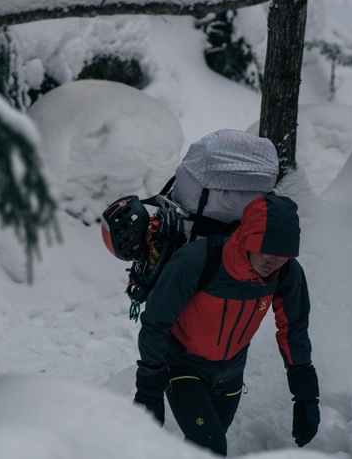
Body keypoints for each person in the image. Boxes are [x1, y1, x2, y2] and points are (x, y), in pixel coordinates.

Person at [133, 194, 320, 456]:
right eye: (266, 252)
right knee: (212, 448)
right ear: (246, 240)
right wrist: (149, 388)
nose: (273, 263)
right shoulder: (197, 261)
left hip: (231, 373)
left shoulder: (287, 273)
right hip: (183, 365)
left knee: (203, 450)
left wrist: (306, 396)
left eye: (283, 256)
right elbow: (155, 322)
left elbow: (294, 331)